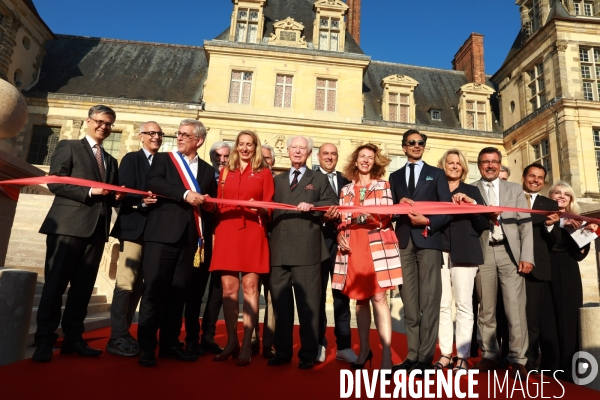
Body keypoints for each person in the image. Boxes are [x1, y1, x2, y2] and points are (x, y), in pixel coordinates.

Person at [33, 105, 123, 362]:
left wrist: (117, 196)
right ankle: (44, 341)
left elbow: (111, 197)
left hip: (96, 231)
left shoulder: (111, 161)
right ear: (88, 121)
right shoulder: (69, 146)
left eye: (108, 124)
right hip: (67, 227)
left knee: (82, 290)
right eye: (100, 121)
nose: (103, 127)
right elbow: (55, 182)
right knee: (55, 286)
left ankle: (73, 338)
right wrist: (90, 192)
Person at [137, 119, 217, 367]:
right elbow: (154, 182)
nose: (179, 138)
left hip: (190, 241)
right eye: (179, 134)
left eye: (185, 135)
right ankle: (147, 347)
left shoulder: (205, 170)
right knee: (153, 292)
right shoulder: (163, 160)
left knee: (177, 295)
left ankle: (170, 344)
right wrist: (185, 194)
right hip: (161, 237)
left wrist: (208, 203)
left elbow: (211, 203)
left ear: (199, 141)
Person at [268, 135, 337, 370]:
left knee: (308, 307)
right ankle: (283, 351)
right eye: (294, 148)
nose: (297, 152)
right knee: (281, 306)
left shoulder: (318, 179)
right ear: (288, 151)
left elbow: (331, 204)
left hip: (308, 252)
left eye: (302, 148)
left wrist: (315, 207)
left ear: (309, 153)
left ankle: (308, 353)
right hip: (278, 251)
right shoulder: (275, 181)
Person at [332, 143, 401, 370]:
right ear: (355, 160)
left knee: (379, 298)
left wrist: (365, 214)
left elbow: (387, 216)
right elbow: (341, 220)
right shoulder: (346, 190)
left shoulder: (383, 185)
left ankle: (387, 354)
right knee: (360, 300)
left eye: (370, 157)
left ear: (375, 162)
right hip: (353, 247)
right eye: (362, 156)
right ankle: (363, 349)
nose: (365, 160)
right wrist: (340, 233)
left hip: (375, 246)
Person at [389, 129, 452, 373]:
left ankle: (425, 358)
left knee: (430, 300)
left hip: (429, 241)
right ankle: (412, 356)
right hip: (404, 243)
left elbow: (447, 210)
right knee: (410, 303)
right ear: (404, 147)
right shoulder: (394, 177)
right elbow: (390, 210)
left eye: (420, 143)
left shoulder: (436, 174)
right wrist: (397, 207)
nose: (417, 146)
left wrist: (428, 221)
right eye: (412, 143)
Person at [210, 130, 274, 366]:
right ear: (236, 146)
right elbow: (218, 202)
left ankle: (247, 343)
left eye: (250, 144)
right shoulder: (226, 171)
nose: (245, 148)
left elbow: (270, 207)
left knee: (250, 287)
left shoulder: (264, 173)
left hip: (252, 233)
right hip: (227, 230)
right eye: (241, 144)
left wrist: (260, 209)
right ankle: (230, 342)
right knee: (228, 288)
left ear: (255, 147)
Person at [472, 147, 534, 380]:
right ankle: (489, 354)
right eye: (486, 162)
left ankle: (518, 359)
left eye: (494, 162)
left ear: (500, 165)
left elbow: (524, 225)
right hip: (483, 252)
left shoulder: (515, 189)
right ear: (479, 165)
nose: (490, 165)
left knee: (515, 308)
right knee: (486, 308)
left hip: (510, 254)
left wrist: (526, 256)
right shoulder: (471, 190)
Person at [107, 121, 162, 357]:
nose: (156, 137)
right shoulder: (131, 159)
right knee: (126, 283)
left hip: (154, 233)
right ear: (141, 137)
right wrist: (140, 202)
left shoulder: (164, 161)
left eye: (159, 134)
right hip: (133, 229)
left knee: (139, 286)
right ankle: (117, 335)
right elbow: (122, 191)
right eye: (151, 133)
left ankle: (124, 332)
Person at [434, 149, 487, 372]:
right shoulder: (435, 189)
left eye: (458, 163)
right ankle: (446, 353)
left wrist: (471, 204)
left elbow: (484, 223)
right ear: (443, 165)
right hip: (439, 250)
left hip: (466, 251)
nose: (454, 166)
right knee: (443, 304)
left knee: (465, 305)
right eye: (450, 162)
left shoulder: (472, 190)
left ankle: (463, 355)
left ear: (464, 167)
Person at [541, 182, 597, 382]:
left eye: (567, 194)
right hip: (545, 270)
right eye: (558, 193)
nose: (562, 196)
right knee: (546, 319)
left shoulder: (577, 220)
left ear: (571, 200)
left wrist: (587, 234)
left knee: (568, 319)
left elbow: (579, 255)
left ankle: (568, 368)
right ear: (550, 195)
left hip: (567, 271)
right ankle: (549, 367)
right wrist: (556, 223)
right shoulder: (540, 216)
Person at [315, 143, 357, 364]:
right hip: (316, 244)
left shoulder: (346, 181)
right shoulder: (310, 179)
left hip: (341, 245)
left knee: (342, 295)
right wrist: (323, 218)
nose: (329, 157)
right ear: (318, 156)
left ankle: (344, 345)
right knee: (317, 296)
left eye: (333, 154)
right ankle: (319, 343)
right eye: (325, 154)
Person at [521, 164, 561, 372]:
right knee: (506, 313)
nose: (535, 180)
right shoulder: (512, 197)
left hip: (537, 267)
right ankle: (505, 356)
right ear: (524, 177)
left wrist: (549, 225)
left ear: (544, 182)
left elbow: (555, 240)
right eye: (532, 176)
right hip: (510, 264)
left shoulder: (550, 204)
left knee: (532, 317)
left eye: (540, 177)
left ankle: (529, 361)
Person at [251, 144, 277, 359]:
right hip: (253, 245)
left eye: (267, 158)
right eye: (261, 158)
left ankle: (269, 342)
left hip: (275, 246)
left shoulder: (280, 183)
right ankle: (251, 339)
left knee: (271, 296)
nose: (264, 161)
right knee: (252, 292)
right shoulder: (251, 180)